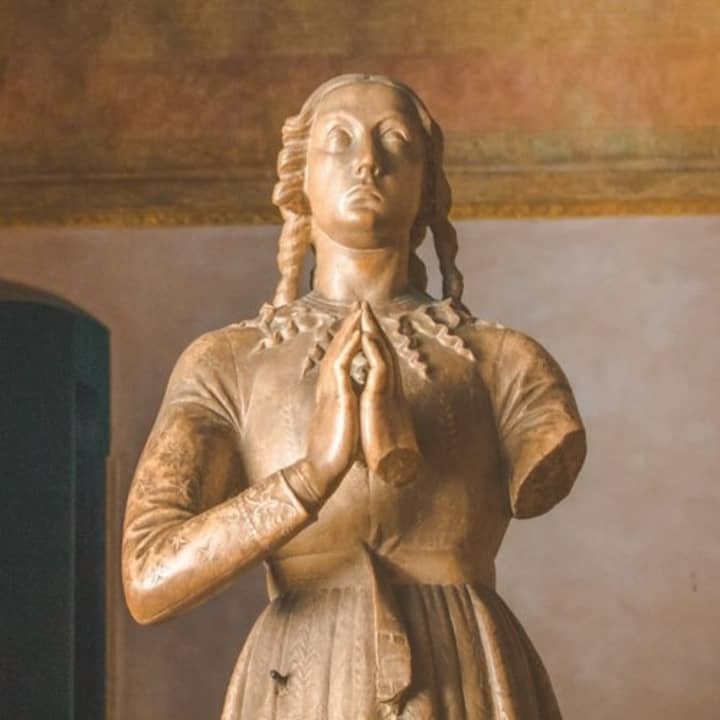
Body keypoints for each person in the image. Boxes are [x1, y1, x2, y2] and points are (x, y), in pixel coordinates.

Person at [122, 73, 587, 720]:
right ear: (300, 177)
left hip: (463, 669)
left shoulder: (503, 361)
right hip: (299, 674)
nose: (368, 160)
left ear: (427, 183)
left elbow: (546, 452)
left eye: (394, 140)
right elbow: (148, 577)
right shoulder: (228, 362)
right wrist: (313, 475)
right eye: (338, 140)